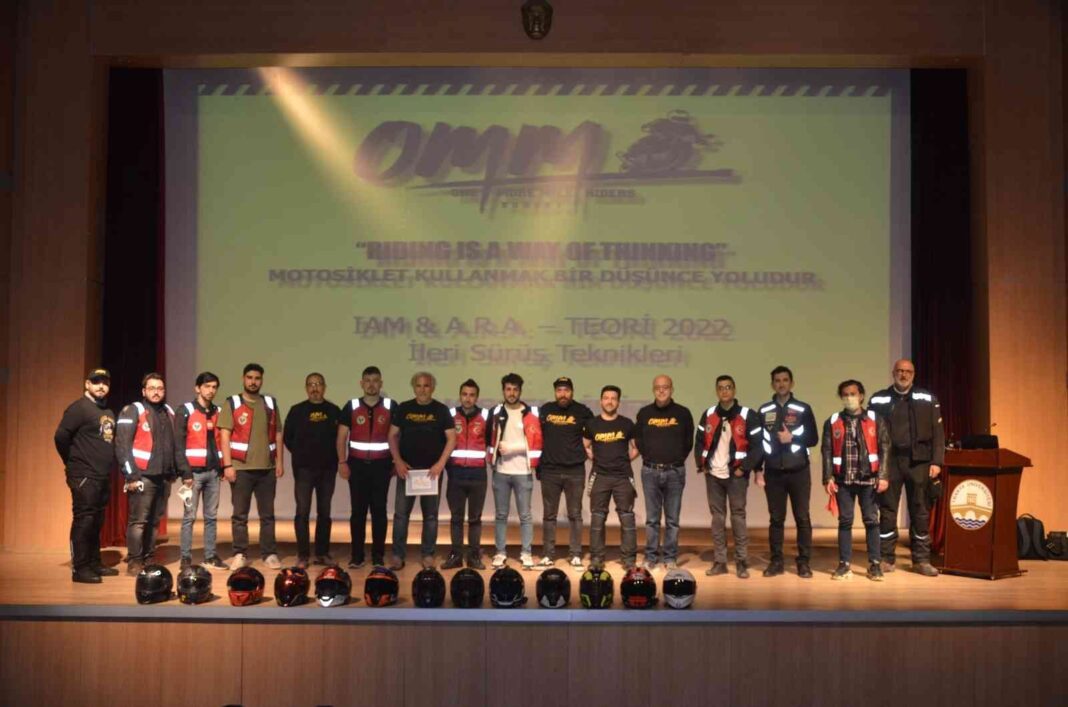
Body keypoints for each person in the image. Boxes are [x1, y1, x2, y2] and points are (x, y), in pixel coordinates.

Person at [869, 358, 945, 577]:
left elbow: (938, 433)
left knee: (920, 511)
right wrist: (874, 464)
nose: (903, 374)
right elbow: (870, 434)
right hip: (889, 462)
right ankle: (886, 559)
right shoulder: (878, 399)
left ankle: (921, 560)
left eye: (908, 371)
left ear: (914, 374)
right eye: (900, 371)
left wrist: (936, 462)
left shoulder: (928, 398)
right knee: (887, 511)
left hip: (919, 462)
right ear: (893, 373)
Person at [694, 375, 763, 579]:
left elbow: (758, 447)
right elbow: (699, 442)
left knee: (738, 517)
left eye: (728, 387)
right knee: (717, 519)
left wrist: (744, 468)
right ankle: (720, 561)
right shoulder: (708, 414)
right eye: (721, 388)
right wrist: (702, 465)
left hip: (736, 476)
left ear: (734, 390)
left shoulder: (748, 415)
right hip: (713, 476)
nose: (724, 391)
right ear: (717, 391)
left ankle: (741, 562)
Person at [822, 380, 891, 581]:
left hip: (869, 480)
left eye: (853, 394)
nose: (849, 397)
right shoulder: (833, 421)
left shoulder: (875, 419)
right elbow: (826, 451)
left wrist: (883, 475)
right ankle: (844, 565)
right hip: (843, 480)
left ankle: (875, 564)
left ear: (861, 396)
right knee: (845, 521)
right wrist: (827, 477)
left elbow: (885, 447)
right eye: (845, 394)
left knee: (871, 521)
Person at [54, 368, 118, 583]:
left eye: (105, 382)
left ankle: (94, 563)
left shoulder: (107, 411)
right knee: (85, 520)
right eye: (96, 382)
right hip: (84, 474)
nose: (101, 386)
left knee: (96, 520)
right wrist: (73, 462)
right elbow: (60, 437)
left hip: (101, 475)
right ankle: (80, 569)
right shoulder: (79, 408)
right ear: (87, 384)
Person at [218, 363, 284, 571]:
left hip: (267, 469)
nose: (253, 382)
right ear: (243, 379)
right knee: (240, 516)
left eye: (257, 378)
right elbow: (224, 435)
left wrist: (280, 462)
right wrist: (227, 465)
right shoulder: (233, 402)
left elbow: (278, 433)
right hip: (240, 469)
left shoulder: (270, 403)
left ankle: (269, 554)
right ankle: (240, 553)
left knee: (268, 515)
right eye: (250, 377)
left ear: (261, 380)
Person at [388, 372, 456, 570]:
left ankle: (428, 555)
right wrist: (398, 461)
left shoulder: (441, 410)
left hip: (431, 473)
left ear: (432, 387)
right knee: (401, 515)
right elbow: (392, 435)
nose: (422, 389)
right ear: (414, 387)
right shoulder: (403, 408)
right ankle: (398, 556)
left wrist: (440, 464)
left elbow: (452, 438)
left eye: (426, 385)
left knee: (431, 517)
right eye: (418, 385)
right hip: (407, 471)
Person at [756, 366, 818, 578]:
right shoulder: (764, 410)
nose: (781, 384)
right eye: (777, 380)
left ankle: (804, 562)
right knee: (776, 519)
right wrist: (758, 469)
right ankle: (776, 562)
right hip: (773, 472)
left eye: (785, 380)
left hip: (799, 471)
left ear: (792, 383)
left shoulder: (803, 408)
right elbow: (759, 443)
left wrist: (792, 438)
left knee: (802, 518)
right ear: (772, 384)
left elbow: (813, 438)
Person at [115, 372, 177, 576]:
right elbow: (122, 445)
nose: (156, 392)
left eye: (160, 388)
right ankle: (134, 561)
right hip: (142, 476)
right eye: (151, 388)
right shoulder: (133, 410)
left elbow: (173, 444)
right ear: (144, 391)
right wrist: (131, 475)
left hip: (163, 476)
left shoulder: (168, 412)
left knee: (154, 521)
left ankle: (149, 558)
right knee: (138, 522)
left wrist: (174, 471)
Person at [337, 366, 394, 568]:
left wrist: (396, 461)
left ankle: (378, 556)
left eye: (375, 380)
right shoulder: (351, 406)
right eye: (367, 381)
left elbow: (397, 436)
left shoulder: (391, 406)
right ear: (361, 384)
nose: (371, 384)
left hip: (382, 467)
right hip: (357, 467)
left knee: (379, 512)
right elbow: (341, 436)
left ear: (381, 383)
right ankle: (357, 556)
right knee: (358, 513)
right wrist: (342, 462)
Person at [634, 375, 694, 570]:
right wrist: (650, 457)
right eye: (658, 387)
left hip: (675, 472)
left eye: (665, 387)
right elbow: (639, 440)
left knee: (672, 520)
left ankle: (669, 557)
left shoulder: (683, 413)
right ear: (653, 390)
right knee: (652, 519)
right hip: (650, 471)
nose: (661, 390)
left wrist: (676, 459)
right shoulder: (644, 413)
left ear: (672, 389)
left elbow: (688, 442)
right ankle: (651, 557)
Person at [284, 372, 341, 569]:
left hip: (328, 470)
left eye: (318, 384)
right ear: (306, 388)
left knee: (324, 512)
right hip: (304, 471)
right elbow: (288, 438)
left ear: (324, 387)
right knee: (302, 512)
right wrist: (302, 454)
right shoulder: (296, 411)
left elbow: (340, 438)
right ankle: (303, 555)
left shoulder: (334, 411)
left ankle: (322, 553)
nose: (315, 388)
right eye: (311, 384)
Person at [537, 376, 593, 569]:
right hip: (550, 471)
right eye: (559, 390)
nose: (563, 394)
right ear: (555, 392)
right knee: (549, 515)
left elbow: (594, 432)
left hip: (575, 471)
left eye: (566, 390)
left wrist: (587, 450)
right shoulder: (545, 410)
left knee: (575, 515)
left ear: (572, 392)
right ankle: (548, 554)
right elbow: (536, 435)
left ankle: (575, 554)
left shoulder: (583, 411)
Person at [489, 373, 543, 570]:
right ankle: (500, 552)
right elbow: (488, 439)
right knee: (501, 515)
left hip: (523, 472)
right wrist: (494, 456)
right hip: (501, 471)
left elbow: (538, 442)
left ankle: (526, 553)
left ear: (520, 391)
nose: (511, 393)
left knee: (525, 516)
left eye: (515, 389)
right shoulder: (495, 412)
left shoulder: (530, 414)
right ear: (503, 390)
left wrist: (513, 449)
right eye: (508, 389)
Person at [175, 371, 228, 571]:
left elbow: (222, 442)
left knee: (211, 517)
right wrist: (185, 473)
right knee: (189, 517)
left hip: (213, 473)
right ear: (197, 388)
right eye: (207, 386)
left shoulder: (219, 411)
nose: (211, 390)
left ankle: (210, 556)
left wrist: (222, 468)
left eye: (214, 387)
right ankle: (185, 558)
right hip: (193, 475)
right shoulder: (186, 410)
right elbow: (178, 445)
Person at [583, 385, 639, 570]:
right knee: (597, 518)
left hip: (623, 477)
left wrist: (623, 461)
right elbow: (585, 445)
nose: (609, 401)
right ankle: (597, 559)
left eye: (613, 398)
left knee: (627, 518)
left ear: (618, 402)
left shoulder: (627, 424)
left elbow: (636, 448)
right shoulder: (592, 424)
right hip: (600, 476)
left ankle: (629, 559)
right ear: (601, 401)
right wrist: (595, 458)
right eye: (606, 398)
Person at [443, 379, 491, 570]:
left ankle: (474, 556)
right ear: (460, 395)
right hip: (456, 474)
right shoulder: (450, 415)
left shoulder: (485, 416)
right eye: (464, 394)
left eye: (472, 395)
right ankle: (456, 555)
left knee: (475, 519)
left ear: (477, 397)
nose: (468, 398)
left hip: (478, 475)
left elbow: (491, 441)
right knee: (456, 517)